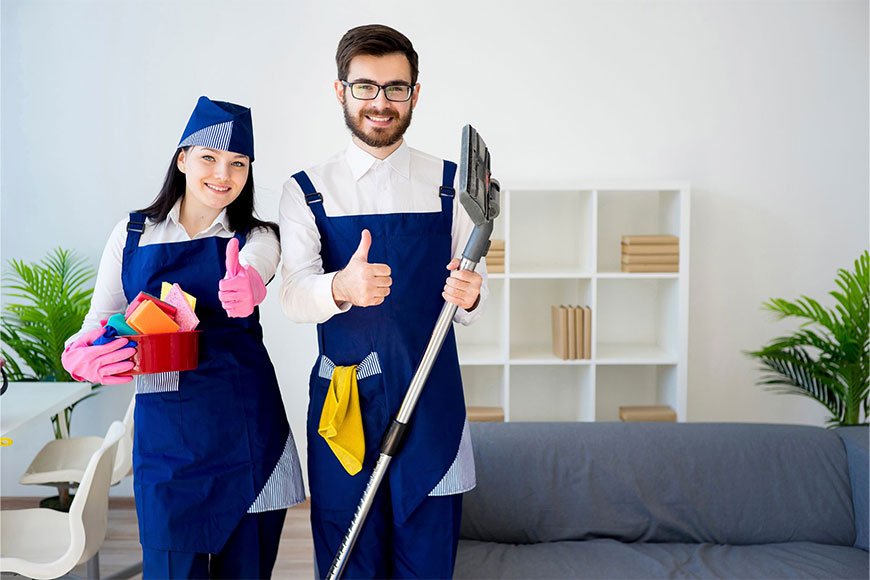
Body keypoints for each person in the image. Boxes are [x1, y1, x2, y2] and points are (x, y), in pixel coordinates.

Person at [62, 96, 305, 579]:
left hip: (251, 438)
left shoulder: (259, 236)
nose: (223, 174)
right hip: (166, 447)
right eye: (209, 158)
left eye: (238, 163)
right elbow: (96, 323)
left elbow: (258, 266)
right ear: (182, 159)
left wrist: (249, 285)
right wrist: (78, 355)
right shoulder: (132, 234)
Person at [279, 24, 488, 578]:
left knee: (427, 556)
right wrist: (340, 288)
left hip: (431, 399)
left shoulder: (452, 186)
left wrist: (471, 295)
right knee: (350, 558)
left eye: (396, 88)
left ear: (415, 94)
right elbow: (293, 296)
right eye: (365, 87)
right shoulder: (308, 190)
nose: (380, 102)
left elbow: (473, 288)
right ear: (341, 91)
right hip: (346, 401)